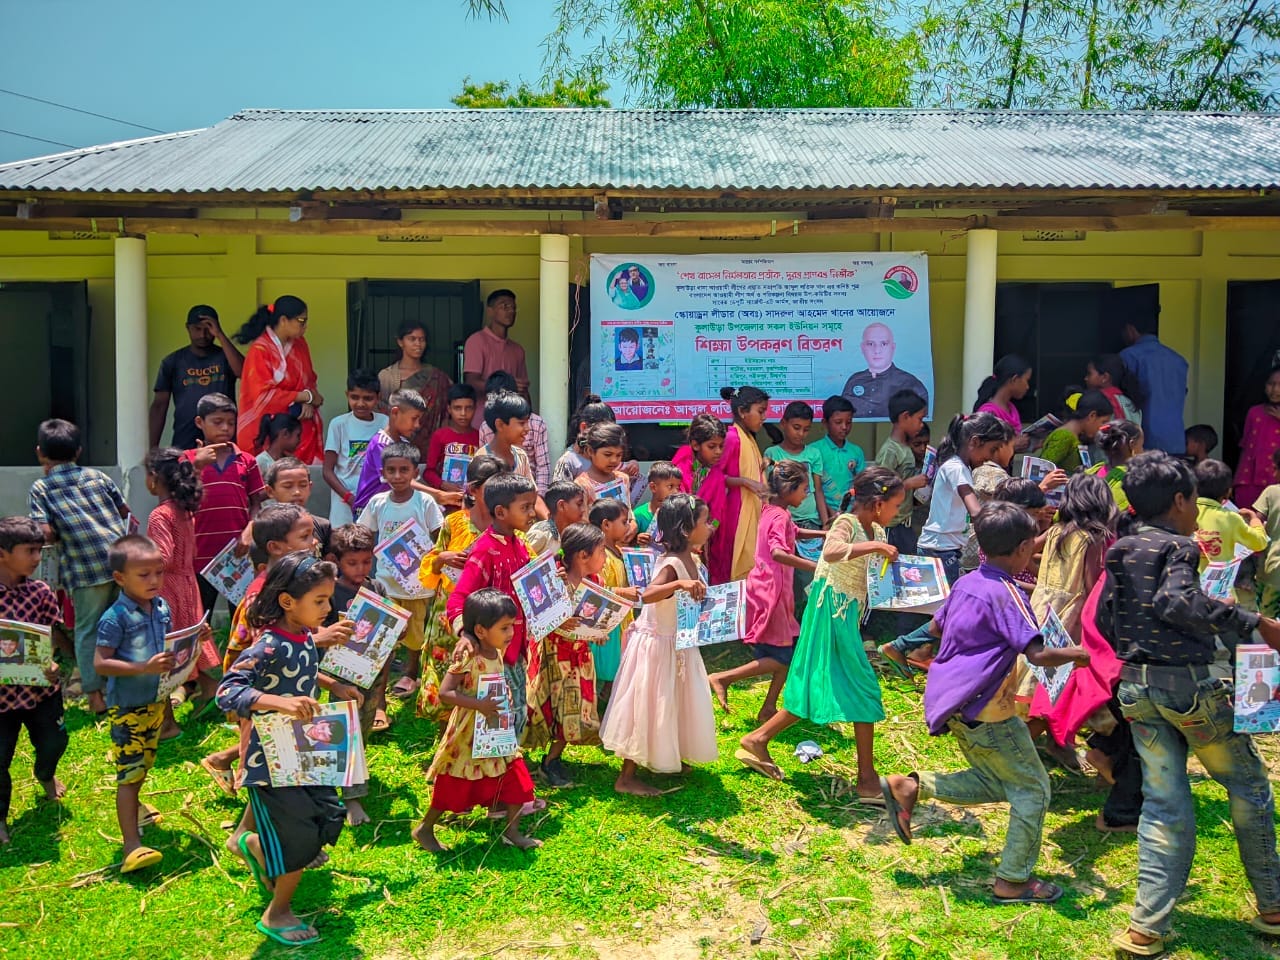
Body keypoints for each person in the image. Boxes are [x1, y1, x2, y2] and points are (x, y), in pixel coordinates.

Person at [1098, 452, 1280, 956]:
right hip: (1192, 689)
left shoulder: (1123, 548)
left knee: (1163, 803)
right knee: (1247, 788)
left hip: (1137, 689)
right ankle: (1273, 908)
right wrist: (1253, 623)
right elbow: (1176, 603)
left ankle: (1146, 927)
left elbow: (1107, 617)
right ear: (1180, 501)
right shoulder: (1179, 547)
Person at [880, 503, 1090, 905]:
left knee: (998, 781)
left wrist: (902, 644)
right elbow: (1039, 653)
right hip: (989, 710)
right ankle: (1013, 880)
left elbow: (937, 625)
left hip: (954, 700)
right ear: (1025, 547)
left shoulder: (968, 581)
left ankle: (909, 786)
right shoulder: (1008, 592)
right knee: (1033, 789)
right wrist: (1077, 654)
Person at [736, 467, 903, 789]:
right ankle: (866, 779)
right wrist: (875, 549)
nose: (897, 512)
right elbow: (832, 551)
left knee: (819, 684)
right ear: (879, 504)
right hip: (831, 613)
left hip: (848, 616)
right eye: (895, 505)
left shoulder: (879, 532)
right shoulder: (847, 523)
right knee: (865, 687)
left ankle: (759, 738)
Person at [216, 553, 349, 947]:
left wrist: (335, 686)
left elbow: (302, 668)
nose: (328, 608)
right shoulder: (270, 643)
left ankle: (250, 842)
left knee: (325, 816)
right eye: (320, 601)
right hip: (273, 758)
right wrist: (280, 703)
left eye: (328, 599)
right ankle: (278, 913)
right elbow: (228, 690)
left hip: (306, 749)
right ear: (288, 602)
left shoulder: (303, 636)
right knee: (299, 835)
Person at [600, 494, 717, 795]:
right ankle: (626, 776)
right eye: (706, 521)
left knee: (676, 699)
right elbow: (649, 594)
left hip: (679, 642)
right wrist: (679, 584)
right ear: (687, 529)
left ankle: (670, 752)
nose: (712, 526)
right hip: (657, 644)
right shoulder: (672, 564)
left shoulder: (693, 557)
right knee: (648, 704)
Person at [879, 412, 1009, 674]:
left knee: (948, 611)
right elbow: (973, 507)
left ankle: (916, 650)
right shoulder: (956, 468)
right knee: (952, 612)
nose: (990, 456)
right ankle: (906, 647)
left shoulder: (957, 465)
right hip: (941, 549)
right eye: (991, 449)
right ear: (974, 442)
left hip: (945, 547)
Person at [413, 588, 541, 852]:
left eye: (512, 627)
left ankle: (512, 831)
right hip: (469, 733)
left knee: (516, 780)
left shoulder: (497, 652)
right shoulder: (468, 655)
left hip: (496, 729)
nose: (511, 634)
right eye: (504, 628)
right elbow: (446, 692)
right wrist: (479, 705)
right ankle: (425, 828)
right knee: (455, 784)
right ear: (481, 630)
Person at [28, 418, 130, 717]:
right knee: (121, 625)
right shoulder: (97, 477)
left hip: (85, 569)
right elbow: (124, 512)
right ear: (79, 450)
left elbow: (44, 532)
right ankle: (123, 687)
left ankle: (96, 696)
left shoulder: (41, 487)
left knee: (88, 631)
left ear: (39, 453)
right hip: (121, 561)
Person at [708, 460, 817, 721]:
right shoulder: (780, 515)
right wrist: (815, 566)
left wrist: (826, 533)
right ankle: (723, 677)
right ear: (789, 489)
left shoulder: (771, 511)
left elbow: (794, 532)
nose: (807, 494)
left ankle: (768, 707)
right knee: (782, 657)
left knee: (782, 651)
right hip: (773, 591)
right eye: (804, 488)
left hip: (766, 587)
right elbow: (779, 552)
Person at [93, 536, 177, 873]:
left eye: (158, 572)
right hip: (128, 709)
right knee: (129, 774)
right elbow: (101, 663)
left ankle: (137, 810)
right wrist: (143, 668)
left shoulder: (160, 607)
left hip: (154, 704)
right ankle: (132, 844)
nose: (154, 580)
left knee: (143, 765)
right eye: (144, 575)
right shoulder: (115, 618)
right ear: (120, 579)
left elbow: (166, 651)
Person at [445, 473, 540, 743]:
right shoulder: (486, 551)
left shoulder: (519, 544)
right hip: (493, 655)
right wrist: (464, 633)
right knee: (500, 718)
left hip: (516, 647)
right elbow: (458, 597)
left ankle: (506, 768)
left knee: (517, 711)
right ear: (500, 511)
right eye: (525, 507)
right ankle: (497, 774)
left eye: (532, 505)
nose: (532, 513)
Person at [526, 522, 614, 786]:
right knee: (544, 708)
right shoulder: (554, 578)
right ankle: (520, 760)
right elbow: (536, 615)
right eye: (601, 551)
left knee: (574, 711)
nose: (605, 557)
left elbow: (593, 620)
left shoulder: (597, 582)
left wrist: (598, 633)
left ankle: (552, 760)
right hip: (551, 656)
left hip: (580, 659)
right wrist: (559, 620)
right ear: (582, 555)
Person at [0, 517, 68, 847]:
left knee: (54, 741)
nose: (37, 558)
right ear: (2, 554)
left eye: (39, 550)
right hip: (1, 699)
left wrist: (52, 662)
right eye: (29, 551)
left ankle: (45, 773)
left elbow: (50, 634)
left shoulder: (40, 592)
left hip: (41, 690)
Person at [358, 443, 444, 699]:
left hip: (417, 583)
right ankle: (378, 675)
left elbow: (438, 534)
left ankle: (410, 672)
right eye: (391, 470)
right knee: (385, 630)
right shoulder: (377, 503)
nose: (397, 476)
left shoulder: (424, 501)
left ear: (414, 472)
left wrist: (431, 560)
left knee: (416, 631)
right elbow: (365, 533)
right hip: (386, 580)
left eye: (403, 470)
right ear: (383, 472)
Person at [144, 448, 219, 711]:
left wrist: (136, 560)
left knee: (174, 643)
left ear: (153, 478)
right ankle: (209, 687)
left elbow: (162, 558)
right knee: (189, 637)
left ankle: (179, 701)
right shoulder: (183, 509)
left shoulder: (160, 515)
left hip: (169, 587)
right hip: (188, 582)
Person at [183, 394, 268, 617]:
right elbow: (176, 499)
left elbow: (256, 502)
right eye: (217, 422)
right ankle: (203, 654)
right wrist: (196, 466)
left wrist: (250, 531)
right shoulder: (186, 459)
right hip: (199, 553)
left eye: (230, 423)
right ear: (200, 423)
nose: (225, 428)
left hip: (237, 554)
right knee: (201, 618)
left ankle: (239, 653)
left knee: (242, 617)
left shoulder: (246, 460)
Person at [233, 296, 324, 464]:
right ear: (283, 320)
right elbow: (263, 397)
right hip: (266, 429)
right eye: (301, 321)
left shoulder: (300, 344)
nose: (305, 326)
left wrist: (309, 401)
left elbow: (309, 379)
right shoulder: (259, 351)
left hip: (300, 423)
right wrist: (304, 396)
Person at [149, 304, 245, 450]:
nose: (203, 335)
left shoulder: (226, 357)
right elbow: (159, 405)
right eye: (197, 329)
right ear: (188, 328)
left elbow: (243, 372)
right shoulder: (173, 362)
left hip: (222, 437)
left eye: (208, 329)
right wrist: (152, 448)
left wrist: (220, 334)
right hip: (185, 438)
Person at [714, 386, 770, 584]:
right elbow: (715, 476)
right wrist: (745, 482)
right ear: (742, 412)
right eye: (760, 411)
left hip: (751, 509)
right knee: (734, 569)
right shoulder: (731, 437)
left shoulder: (749, 438)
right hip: (736, 512)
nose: (764, 417)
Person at [1193, 459, 1267, 603]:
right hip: (1220, 593)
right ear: (1228, 491)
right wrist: (1255, 520)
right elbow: (1259, 543)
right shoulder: (1231, 518)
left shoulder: (1183, 512)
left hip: (1189, 588)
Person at [376, 319, 453, 454]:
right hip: (394, 449)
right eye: (412, 339)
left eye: (422, 339)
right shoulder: (386, 376)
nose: (418, 344)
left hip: (430, 449)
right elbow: (379, 412)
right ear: (400, 342)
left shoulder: (436, 377)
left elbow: (448, 408)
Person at [322, 371, 387, 527]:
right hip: (344, 502)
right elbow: (327, 471)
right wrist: (349, 497)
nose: (361, 403)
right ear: (347, 395)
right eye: (355, 397)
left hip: (375, 499)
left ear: (378, 397)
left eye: (368, 398)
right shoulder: (338, 424)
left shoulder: (385, 422)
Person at [589, 497, 636, 702]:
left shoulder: (618, 550)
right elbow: (595, 589)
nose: (628, 526)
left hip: (622, 619)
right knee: (606, 666)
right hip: (607, 623)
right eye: (624, 522)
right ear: (606, 525)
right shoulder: (602, 556)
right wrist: (625, 592)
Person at [1120, 318, 1189, 454]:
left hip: (1144, 441)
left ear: (1130, 329)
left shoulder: (1129, 356)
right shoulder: (1179, 360)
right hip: (1175, 440)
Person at [874, 391, 931, 554]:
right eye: (920, 419)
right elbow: (879, 487)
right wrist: (909, 484)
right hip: (891, 527)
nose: (921, 425)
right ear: (905, 417)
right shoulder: (890, 451)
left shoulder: (905, 448)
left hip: (905, 523)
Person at [463, 290, 528, 429]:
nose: (511, 311)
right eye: (505, 306)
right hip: (482, 422)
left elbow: (524, 390)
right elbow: (471, 382)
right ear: (490, 311)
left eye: (513, 307)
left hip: (511, 424)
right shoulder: (476, 341)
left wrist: (529, 419)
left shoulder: (517, 350)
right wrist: (506, 386)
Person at [479, 371, 551, 494]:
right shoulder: (482, 457)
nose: (527, 429)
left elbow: (542, 468)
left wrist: (539, 499)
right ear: (500, 425)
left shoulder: (521, 455)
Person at [839, 322, 930, 420]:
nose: (877, 350)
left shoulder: (911, 385)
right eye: (870, 344)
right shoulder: (854, 381)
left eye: (884, 344)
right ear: (862, 348)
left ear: (893, 347)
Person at [810, 395, 867, 526]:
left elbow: (861, 485)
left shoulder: (856, 451)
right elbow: (815, 489)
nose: (844, 427)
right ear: (825, 423)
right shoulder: (814, 451)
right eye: (838, 422)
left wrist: (855, 512)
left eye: (849, 422)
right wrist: (827, 520)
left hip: (851, 515)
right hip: (823, 516)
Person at [264, 457, 333, 558]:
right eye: (288, 486)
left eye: (303, 485)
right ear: (270, 491)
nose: (297, 492)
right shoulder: (264, 527)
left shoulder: (322, 526)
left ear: (310, 488)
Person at [1235, 366, 1280, 510]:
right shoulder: (1255, 413)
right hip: (1251, 479)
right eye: (1271, 384)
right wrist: (1238, 479)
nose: (1275, 390)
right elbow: (1246, 448)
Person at [1038, 389, 1114, 472]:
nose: (1104, 428)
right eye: (1103, 422)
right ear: (1092, 416)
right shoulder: (1064, 436)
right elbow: (1040, 471)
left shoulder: (1077, 436)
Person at [424, 383, 479, 492]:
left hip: (471, 499)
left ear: (475, 409)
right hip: (445, 499)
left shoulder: (479, 437)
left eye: (468, 408)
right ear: (449, 409)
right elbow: (428, 472)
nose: (463, 413)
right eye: (457, 408)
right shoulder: (439, 436)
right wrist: (442, 484)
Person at [1247, 448, 1280, 619]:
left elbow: (1257, 521)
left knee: (1267, 619)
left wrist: (1250, 518)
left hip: (1272, 570)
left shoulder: (1272, 492)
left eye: (1275, 468)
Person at [974, 354, 1033, 450]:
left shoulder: (1011, 409)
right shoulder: (988, 413)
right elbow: (982, 449)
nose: (1027, 386)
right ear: (1014, 379)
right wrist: (1013, 445)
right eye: (1027, 380)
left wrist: (1031, 444)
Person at [1088, 420, 1144, 512]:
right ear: (1132, 444)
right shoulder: (1132, 479)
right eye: (1141, 445)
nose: (1142, 450)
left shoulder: (1092, 472)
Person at [572, 423, 631, 509]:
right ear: (590, 451)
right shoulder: (582, 485)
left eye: (618, 455)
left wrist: (632, 522)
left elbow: (628, 512)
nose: (614, 460)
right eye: (607, 454)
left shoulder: (623, 478)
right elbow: (582, 519)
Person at [527, 481, 586, 556]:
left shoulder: (575, 534)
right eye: (579, 504)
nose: (583, 509)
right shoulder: (540, 534)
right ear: (561, 506)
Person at [1084, 354, 1141, 425]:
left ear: (1105, 377)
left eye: (1089, 374)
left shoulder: (1097, 402)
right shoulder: (1131, 403)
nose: (1085, 378)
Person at [633, 461, 682, 540]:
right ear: (653, 487)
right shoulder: (639, 515)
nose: (675, 492)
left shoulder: (678, 515)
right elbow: (625, 544)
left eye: (678, 487)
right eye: (670, 486)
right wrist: (637, 540)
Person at [253, 413, 302, 480]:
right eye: (298, 435)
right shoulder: (260, 462)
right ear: (285, 433)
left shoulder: (290, 461)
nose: (299, 440)